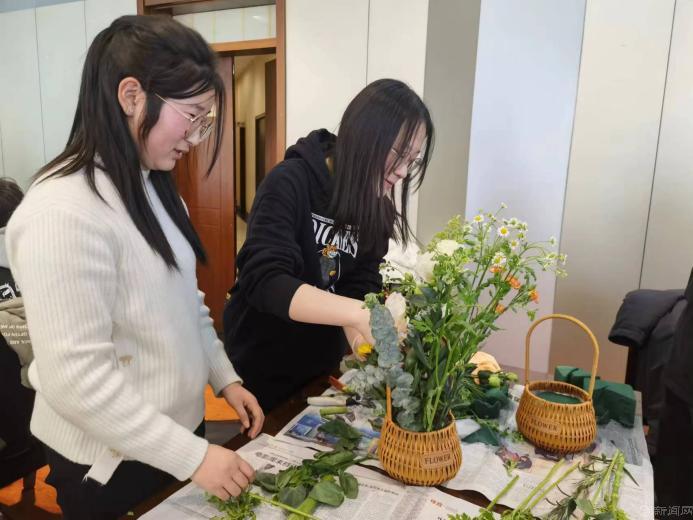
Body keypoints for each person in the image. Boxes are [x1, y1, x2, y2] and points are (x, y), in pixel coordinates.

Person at [5, 15, 263, 519]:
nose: (196, 136)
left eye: (205, 119)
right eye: (192, 115)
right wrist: (194, 457)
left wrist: (225, 378)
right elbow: (75, 380)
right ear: (131, 96)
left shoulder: (155, 190)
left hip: (172, 437)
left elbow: (187, 306)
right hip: (109, 459)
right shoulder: (61, 210)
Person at [223, 79, 434, 411]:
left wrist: (366, 349)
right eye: (399, 154)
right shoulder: (290, 181)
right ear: (366, 135)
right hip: (263, 357)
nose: (404, 172)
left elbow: (358, 288)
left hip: (319, 362)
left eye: (413, 159)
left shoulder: (377, 208)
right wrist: (360, 314)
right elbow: (265, 281)